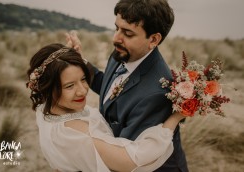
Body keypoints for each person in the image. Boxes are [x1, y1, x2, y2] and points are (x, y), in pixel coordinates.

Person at [66, 0, 188, 171]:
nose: (115, 38)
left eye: (128, 33)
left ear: (153, 39)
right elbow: (108, 89)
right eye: (117, 28)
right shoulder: (123, 52)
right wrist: (81, 61)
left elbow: (125, 156)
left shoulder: (157, 93)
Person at [26, 43, 186, 172]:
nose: (82, 90)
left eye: (83, 79)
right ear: (46, 88)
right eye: (69, 86)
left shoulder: (45, 110)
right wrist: (175, 118)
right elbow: (135, 159)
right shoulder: (79, 134)